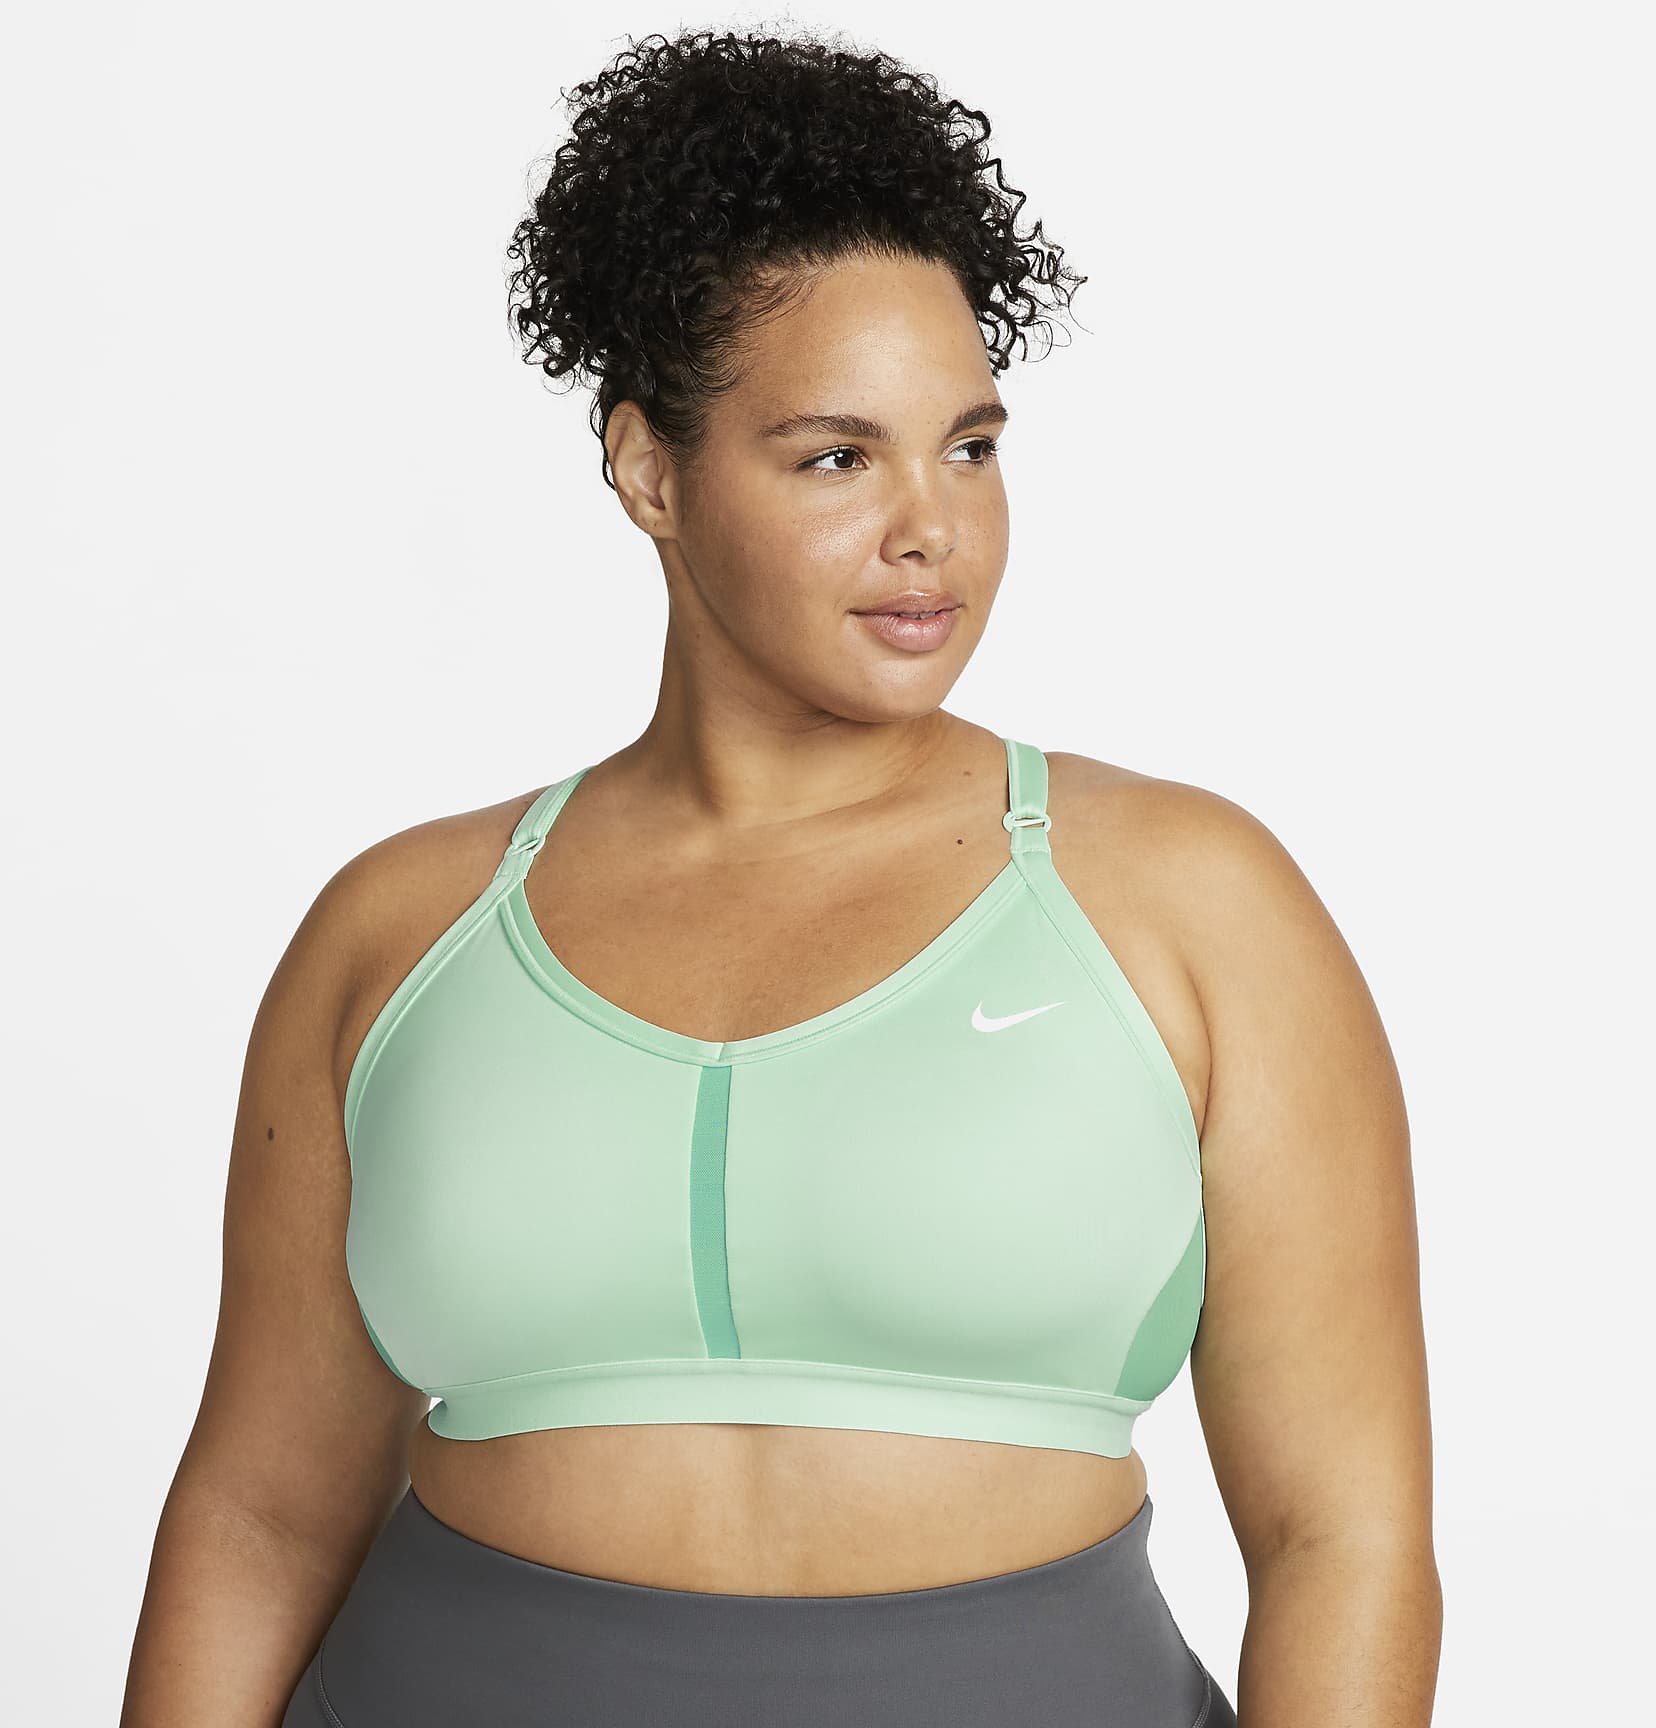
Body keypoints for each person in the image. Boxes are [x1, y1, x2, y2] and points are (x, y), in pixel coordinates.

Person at [121, 27, 1441, 1728]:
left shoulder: (1191, 905)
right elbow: (259, 1514)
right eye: (837, 456)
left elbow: (1344, 1535)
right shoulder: (400, 934)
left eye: (971, 446)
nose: (932, 528)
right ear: (648, 470)